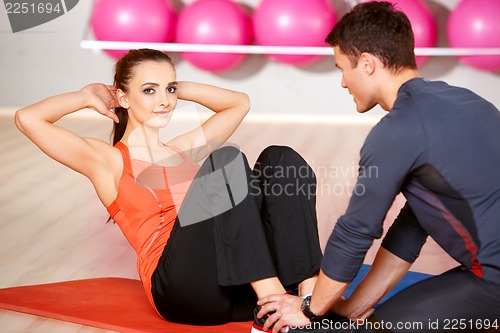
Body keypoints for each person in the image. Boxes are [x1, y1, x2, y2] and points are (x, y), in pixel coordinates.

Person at [14, 48, 323, 330]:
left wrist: (169, 84)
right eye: (149, 91)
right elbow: (28, 119)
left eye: (170, 90)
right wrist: (85, 95)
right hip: (185, 291)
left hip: (239, 287)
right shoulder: (108, 161)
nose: (164, 101)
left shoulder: (184, 150)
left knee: (281, 158)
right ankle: (273, 311)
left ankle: (308, 302)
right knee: (226, 160)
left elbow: (238, 103)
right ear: (123, 97)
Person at [257, 2, 500, 333]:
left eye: (342, 67)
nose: (343, 82)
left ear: (367, 64)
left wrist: (311, 310)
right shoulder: (469, 102)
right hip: (487, 274)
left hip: (493, 281)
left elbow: (355, 232)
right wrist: (348, 309)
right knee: (358, 323)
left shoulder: (398, 129)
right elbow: (414, 225)